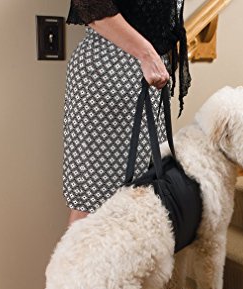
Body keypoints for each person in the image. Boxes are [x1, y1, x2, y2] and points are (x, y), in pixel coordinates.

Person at [63, 0, 191, 225]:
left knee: (144, 198)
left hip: (150, 78)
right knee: (93, 205)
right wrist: (147, 54)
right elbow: (91, 3)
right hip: (108, 75)